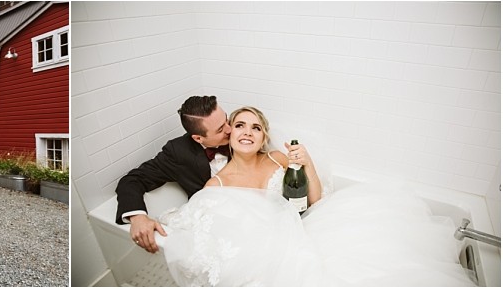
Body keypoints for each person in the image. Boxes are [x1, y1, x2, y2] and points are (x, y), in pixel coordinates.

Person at [159, 106, 477, 286]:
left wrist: (307, 162)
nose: (247, 131)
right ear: (229, 135)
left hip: (308, 226)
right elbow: (211, 240)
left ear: (263, 137)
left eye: (256, 128)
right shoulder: (217, 186)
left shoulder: (279, 160)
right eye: (240, 124)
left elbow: (316, 202)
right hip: (273, 250)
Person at [115, 95, 232, 253]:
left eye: (226, 119)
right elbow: (132, 180)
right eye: (220, 129)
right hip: (211, 222)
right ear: (198, 138)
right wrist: (138, 217)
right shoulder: (178, 152)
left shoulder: (242, 132)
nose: (230, 129)